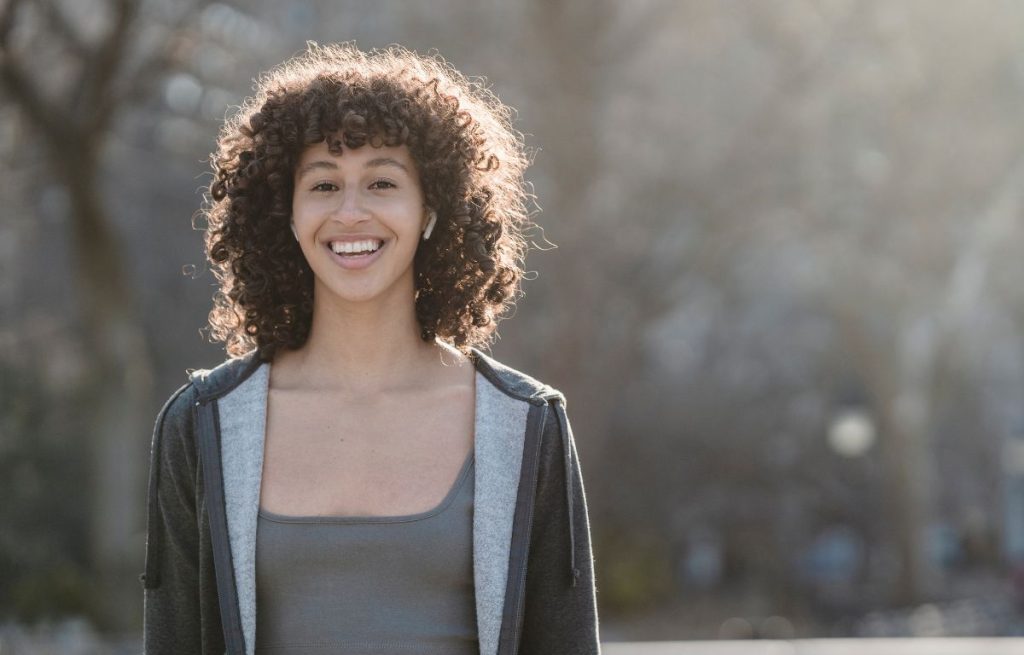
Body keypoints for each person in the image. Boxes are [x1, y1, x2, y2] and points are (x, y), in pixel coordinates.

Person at [141, 42, 600, 654]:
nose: (351, 213)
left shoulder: (525, 425)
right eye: (324, 184)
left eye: (382, 181)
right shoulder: (202, 425)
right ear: (287, 212)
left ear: (431, 207)